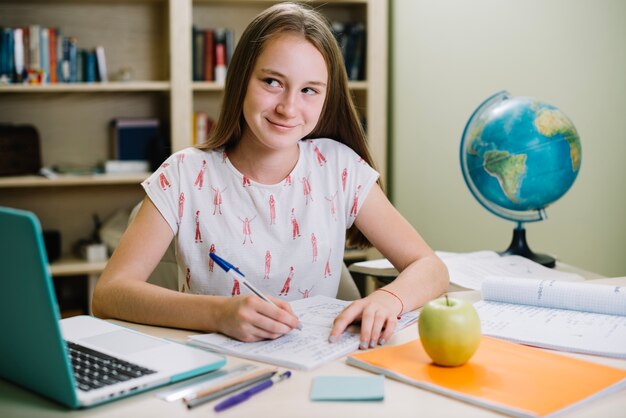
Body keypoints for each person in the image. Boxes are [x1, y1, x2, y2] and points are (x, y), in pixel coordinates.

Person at [92, 2, 448, 349]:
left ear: (327, 97)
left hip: (314, 371)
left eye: (309, 90)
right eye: (273, 82)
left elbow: (429, 267)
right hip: (213, 375)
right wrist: (219, 314)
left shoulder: (340, 169)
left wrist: (389, 300)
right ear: (242, 79)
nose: (288, 107)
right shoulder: (185, 174)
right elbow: (109, 294)